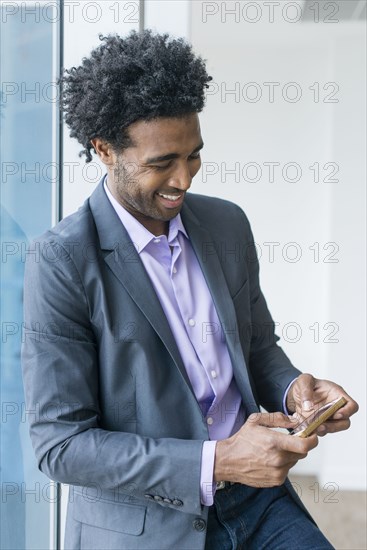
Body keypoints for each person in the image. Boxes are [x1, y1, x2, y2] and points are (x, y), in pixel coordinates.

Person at [22, 30, 358, 550]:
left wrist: (296, 390)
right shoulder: (62, 260)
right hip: (147, 527)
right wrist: (218, 459)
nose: (184, 178)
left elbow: (257, 349)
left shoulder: (226, 225)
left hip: (257, 502)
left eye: (193, 155)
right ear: (105, 150)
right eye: (161, 163)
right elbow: (60, 445)